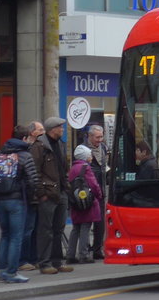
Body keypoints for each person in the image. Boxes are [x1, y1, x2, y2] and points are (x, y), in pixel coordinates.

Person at [0, 125, 39, 283]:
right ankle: (12, 272)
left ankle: (2, 270)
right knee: (16, 237)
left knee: (5, 235)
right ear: (25, 138)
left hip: (0, 200)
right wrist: (35, 196)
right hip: (17, 201)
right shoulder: (25, 155)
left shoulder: (1, 153)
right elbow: (33, 180)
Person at [31, 116, 71, 275]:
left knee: (58, 229)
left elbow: (64, 168)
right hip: (48, 193)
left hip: (60, 192)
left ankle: (57, 261)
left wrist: (66, 186)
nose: (62, 129)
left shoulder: (60, 144)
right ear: (52, 129)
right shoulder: (40, 146)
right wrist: (41, 193)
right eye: (60, 127)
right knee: (46, 229)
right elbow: (35, 172)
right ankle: (45, 263)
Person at [67, 145, 102, 264]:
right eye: (89, 155)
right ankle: (84, 254)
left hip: (75, 202)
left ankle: (70, 255)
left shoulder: (73, 168)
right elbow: (93, 184)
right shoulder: (86, 167)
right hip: (86, 202)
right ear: (85, 156)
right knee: (85, 227)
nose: (91, 157)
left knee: (75, 228)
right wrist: (99, 195)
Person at [18, 119, 44, 273]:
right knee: (27, 229)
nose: (43, 133)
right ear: (32, 132)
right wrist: (37, 191)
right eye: (40, 130)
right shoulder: (26, 150)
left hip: (33, 195)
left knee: (33, 229)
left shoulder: (39, 147)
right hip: (28, 196)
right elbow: (32, 175)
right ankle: (24, 259)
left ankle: (33, 259)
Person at [85, 123, 107, 261]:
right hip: (88, 192)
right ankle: (86, 250)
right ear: (90, 136)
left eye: (101, 137)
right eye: (97, 137)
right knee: (87, 222)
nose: (100, 140)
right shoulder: (83, 150)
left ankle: (98, 249)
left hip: (101, 190)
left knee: (100, 222)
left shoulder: (104, 148)